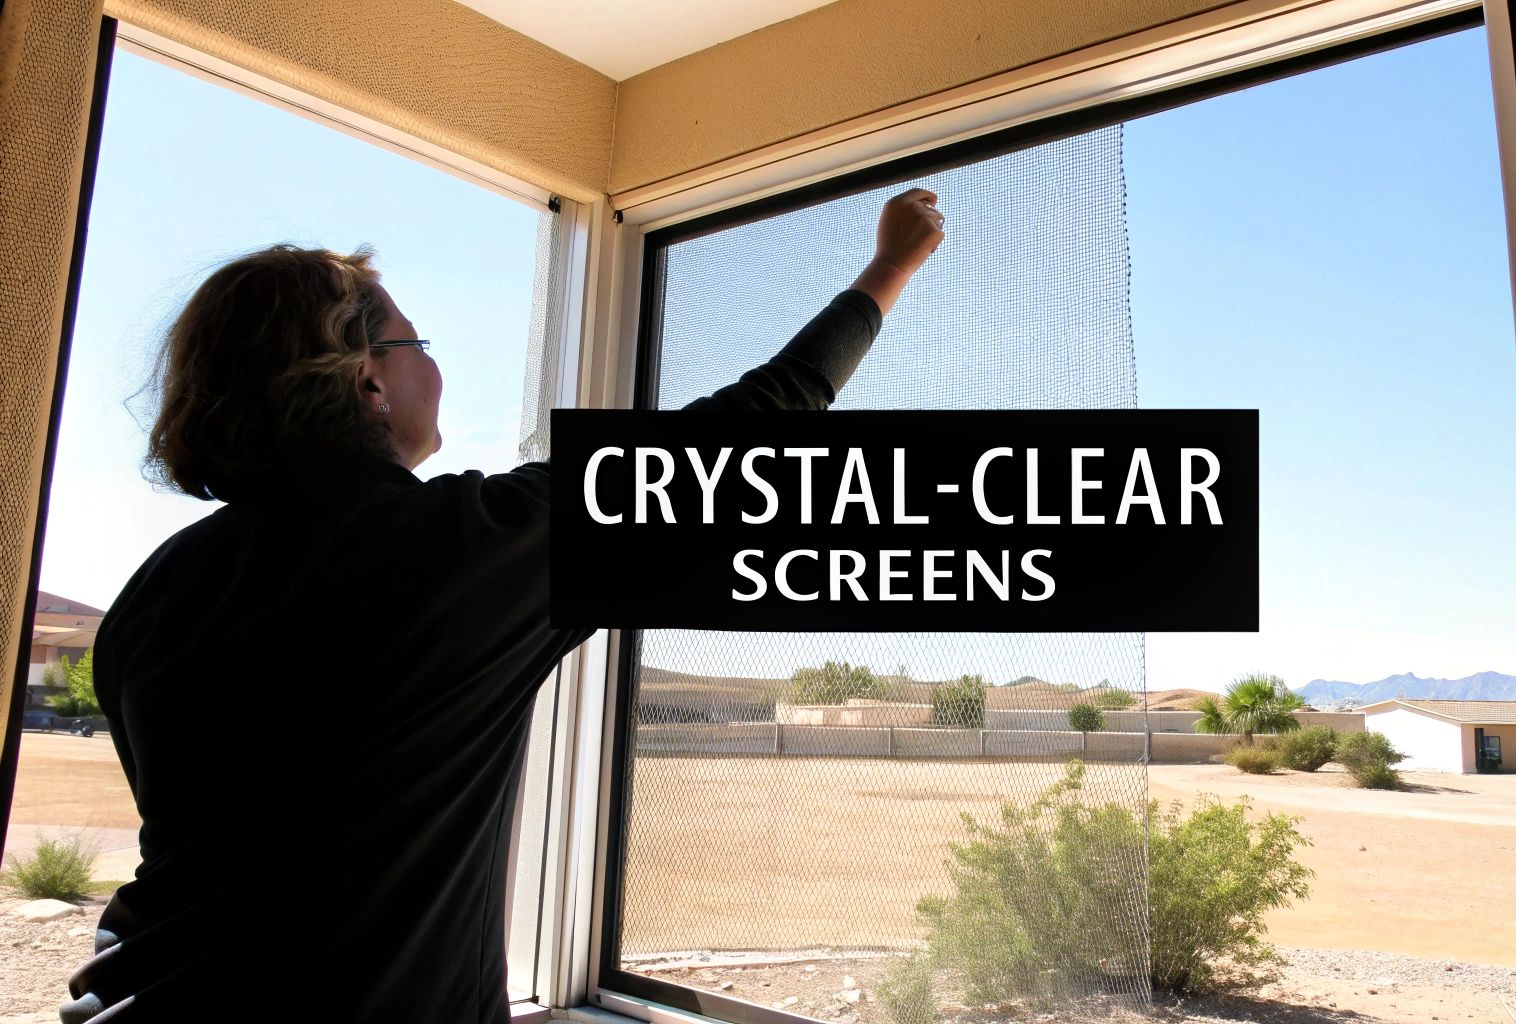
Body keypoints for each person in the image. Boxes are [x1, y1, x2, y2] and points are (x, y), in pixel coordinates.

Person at [59, 189, 945, 1023]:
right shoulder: (458, 552)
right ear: (366, 381)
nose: (432, 369)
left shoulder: (154, 592)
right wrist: (889, 271)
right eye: (418, 344)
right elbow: (752, 423)